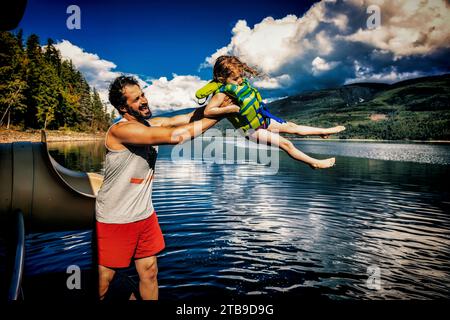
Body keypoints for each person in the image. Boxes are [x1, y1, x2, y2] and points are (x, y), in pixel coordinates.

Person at [95, 75, 238, 300]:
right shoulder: (121, 131)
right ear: (123, 107)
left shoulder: (148, 123)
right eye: (136, 99)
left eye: (143, 94)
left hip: (144, 214)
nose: (144, 100)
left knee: (150, 271)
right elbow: (175, 136)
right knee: (104, 281)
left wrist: (219, 104)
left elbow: (188, 117)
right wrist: (224, 114)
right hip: (116, 217)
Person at [196, 55, 346, 169]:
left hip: (262, 119)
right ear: (222, 78)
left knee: (293, 127)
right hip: (251, 130)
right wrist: (230, 108)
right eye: (236, 79)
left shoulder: (239, 86)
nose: (240, 80)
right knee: (286, 144)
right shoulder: (221, 94)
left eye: (241, 76)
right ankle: (315, 163)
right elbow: (208, 112)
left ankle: (322, 131)